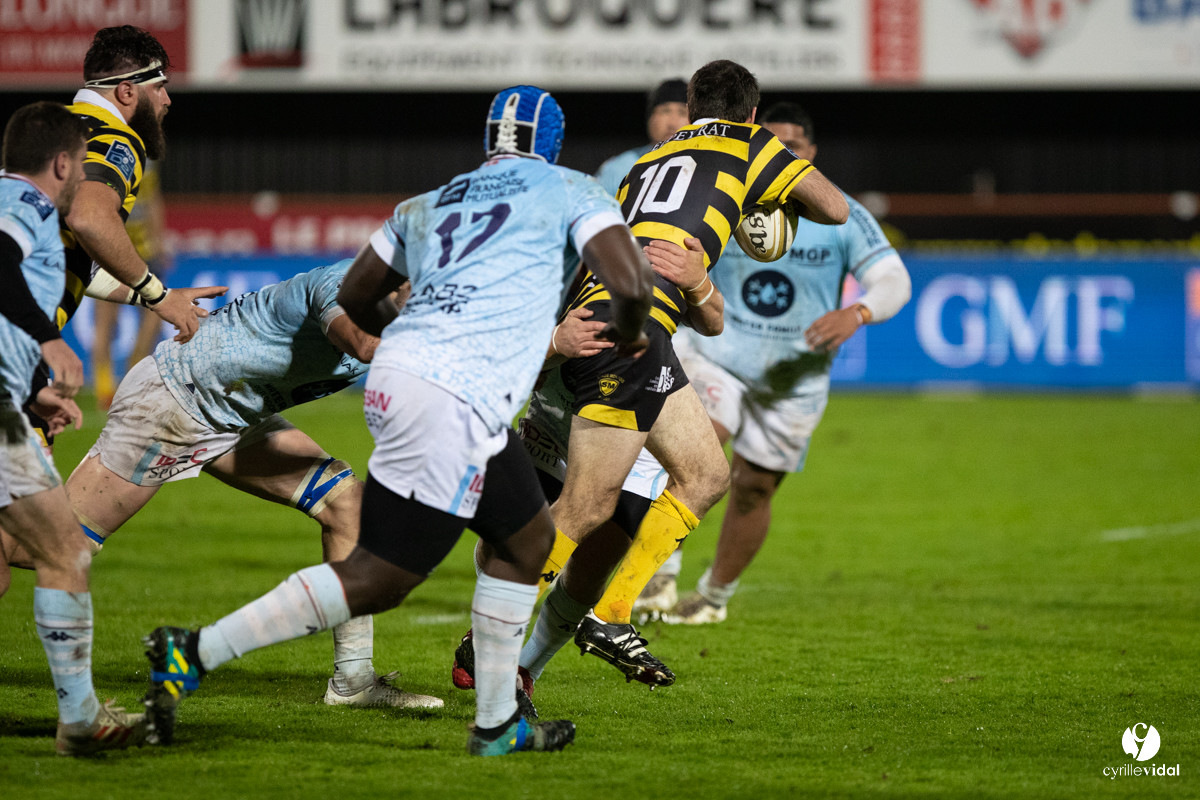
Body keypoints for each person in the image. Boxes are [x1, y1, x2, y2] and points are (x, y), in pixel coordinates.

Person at [140, 86, 655, 756]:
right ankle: (192, 652)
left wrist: (416, 331)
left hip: (417, 378)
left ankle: (499, 724)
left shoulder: (431, 201)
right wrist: (634, 331)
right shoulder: (572, 189)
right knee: (381, 576)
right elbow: (633, 284)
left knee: (526, 541)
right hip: (451, 393)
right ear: (551, 144)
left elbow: (357, 293)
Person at [504, 60, 850, 687]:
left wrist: (699, 282)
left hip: (611, 323)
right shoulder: (750, 143)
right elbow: (835, 208)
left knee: (707, 474)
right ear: (751, 111)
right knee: (585, 507)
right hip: (625, 333)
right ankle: (490, 639)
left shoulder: (646, 164)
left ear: (691, 104)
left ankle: (608, 614)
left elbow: (701, 312)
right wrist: (773, 190)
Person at [63, 260, 437, 732]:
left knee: (348, 506)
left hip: (234, 418)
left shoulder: (414, 313)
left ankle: (354, 681)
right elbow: (362, 346)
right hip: (175, 402)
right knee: (53, 547)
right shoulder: (342, 285)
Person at [650, 102, 912, 624]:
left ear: (811, 154)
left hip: (796, 376)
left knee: (755, 488)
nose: (783, 154)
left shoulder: (842, 213)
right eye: (773, 143)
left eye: (794, 146)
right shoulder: (728, 198)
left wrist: (857, 313)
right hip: (718, 354)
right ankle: (657, 574)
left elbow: (895, 281)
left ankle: (712, 599)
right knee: (703, 439)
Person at [0, 100, 151, 756]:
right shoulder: (26, 207)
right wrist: (47, 341)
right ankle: (81, 719)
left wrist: (34, 389)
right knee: (65, 552)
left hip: (12, 403)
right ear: (64, 163)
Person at [91, 158, 172, 409]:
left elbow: (152, 199)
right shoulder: (112, 154)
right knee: (107, 318)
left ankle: (134, 364)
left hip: (143, 247)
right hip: (113, 246)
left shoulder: (147, 160)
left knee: (156, 310)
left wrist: (159, 240)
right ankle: (104, 385)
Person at [595, 78, 689, 197]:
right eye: (665, 111)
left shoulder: (707, 167)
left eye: (682, 112)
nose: (672, 122)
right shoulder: (618, 169)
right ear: (650, 117)